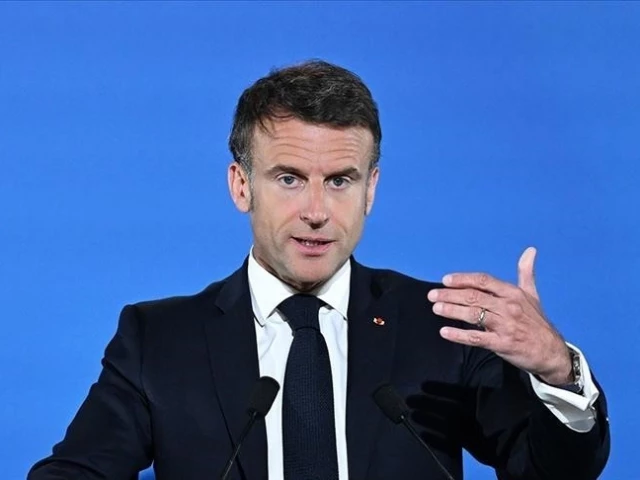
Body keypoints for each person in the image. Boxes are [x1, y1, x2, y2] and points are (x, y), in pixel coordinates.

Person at [29, 60, 610, 480]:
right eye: (289, 179)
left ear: (370, 190)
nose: (316, 211)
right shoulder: (158, 339)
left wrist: (559, 373)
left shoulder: (442, 326)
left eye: (339, 181)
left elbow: (549, 470)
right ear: (240, 185)